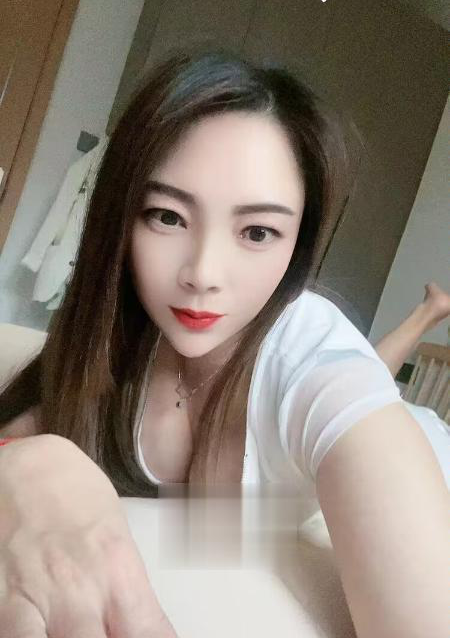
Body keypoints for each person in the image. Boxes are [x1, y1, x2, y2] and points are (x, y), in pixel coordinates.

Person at [0, 46, 448, 638]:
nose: (202, 273)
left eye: (257, 231)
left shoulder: (319, 365)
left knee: (361, 373)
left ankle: (426, 315)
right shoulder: (120, 331)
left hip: (429, 442)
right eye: (167, 217)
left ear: (299, 243)